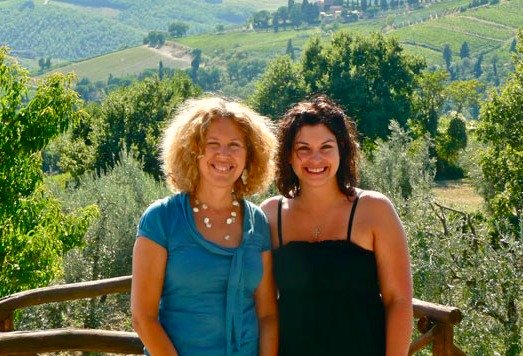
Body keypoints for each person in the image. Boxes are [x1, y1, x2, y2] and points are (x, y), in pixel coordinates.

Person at [261, 95, 413, 356]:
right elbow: (266, 312)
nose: (315, 159)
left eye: (326, 147)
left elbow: (398, 301)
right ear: (288, 156)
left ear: (343, 149)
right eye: (303, 149)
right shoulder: (270, 215)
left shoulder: (375, 209)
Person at [131, 97, 279, 356]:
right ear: (192, 151)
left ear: (250, 155)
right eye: (213, 144)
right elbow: (143, 317)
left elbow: (266, 315)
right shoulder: (161, 219)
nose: (224, 154)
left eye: (235, 145)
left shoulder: (258, 223)